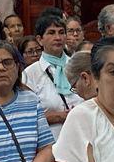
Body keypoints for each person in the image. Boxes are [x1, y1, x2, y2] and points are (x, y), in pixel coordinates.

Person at [23, 12, 77, 141]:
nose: (58, 37)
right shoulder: (30, 74)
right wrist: (58, 116)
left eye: (61, 32)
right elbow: (26, 116)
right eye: (51, 33)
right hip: (50, 141)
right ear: (40, 39)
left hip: (81, 137)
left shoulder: (77, 65)